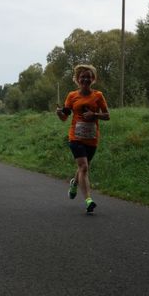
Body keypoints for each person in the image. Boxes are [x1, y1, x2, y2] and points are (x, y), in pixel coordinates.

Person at [56, 64, 110, 213]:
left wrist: (95, 115)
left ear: (93, 79)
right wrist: (59, 113)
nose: (85, 79)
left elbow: (107, 116)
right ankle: (88, 200)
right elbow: (64, 117)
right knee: (84, 167)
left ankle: (74, 183)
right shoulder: (72, 96)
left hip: (92, 138)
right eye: (82, 76)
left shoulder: (98, 96)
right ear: (77, 79)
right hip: (76, 137)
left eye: (88, 76)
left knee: (82, 168)